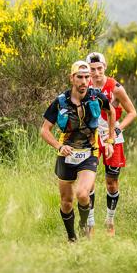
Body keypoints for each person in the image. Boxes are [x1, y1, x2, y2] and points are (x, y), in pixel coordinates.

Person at [40, 60, 116, 242]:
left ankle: (83, 225)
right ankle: (72, 238)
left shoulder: (97, 96)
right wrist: (59, 146)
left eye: (87, 77)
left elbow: (111, 112)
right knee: (66, 202)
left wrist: (110, 140)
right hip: (66, 154)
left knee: (82, 193)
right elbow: (44, 130)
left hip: (90, 152)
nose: (84, 82)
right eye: (80, 77)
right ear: (72, 78)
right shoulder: (60, 101)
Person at [85, 52, 137, 236]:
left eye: (99, 69)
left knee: (112, 183)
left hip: (112, 136)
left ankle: (110, 221)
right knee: (88, 180)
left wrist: (117, 130)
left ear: (105, 67)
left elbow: (132, 112)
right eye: (92, 70)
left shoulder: (115, 87)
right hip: (91, 137)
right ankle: (90, 224)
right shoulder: (85, 84)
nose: (96, 73)